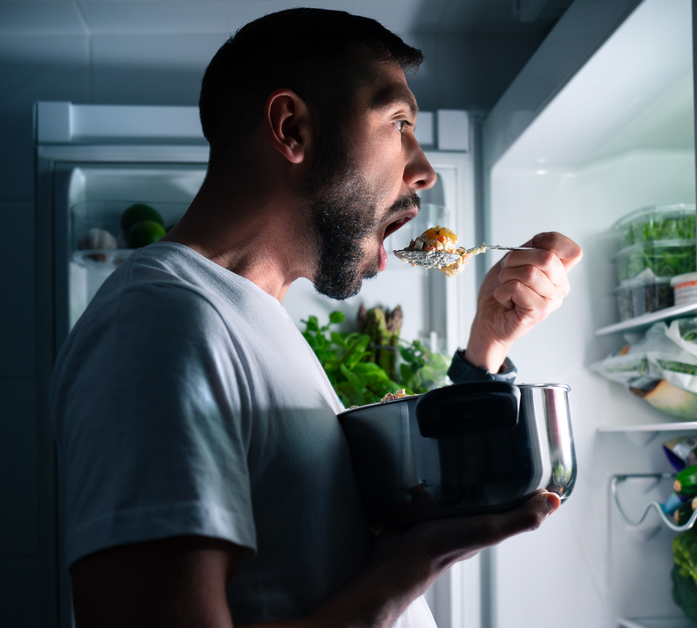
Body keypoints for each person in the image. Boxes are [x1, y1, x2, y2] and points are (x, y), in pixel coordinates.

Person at [50, 8, 583, 628]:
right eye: (399, 123)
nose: (425, 170)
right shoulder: (156, 323)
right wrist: (411, 568)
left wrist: (487, 344)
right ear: (291, 127)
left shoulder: (250, 320)